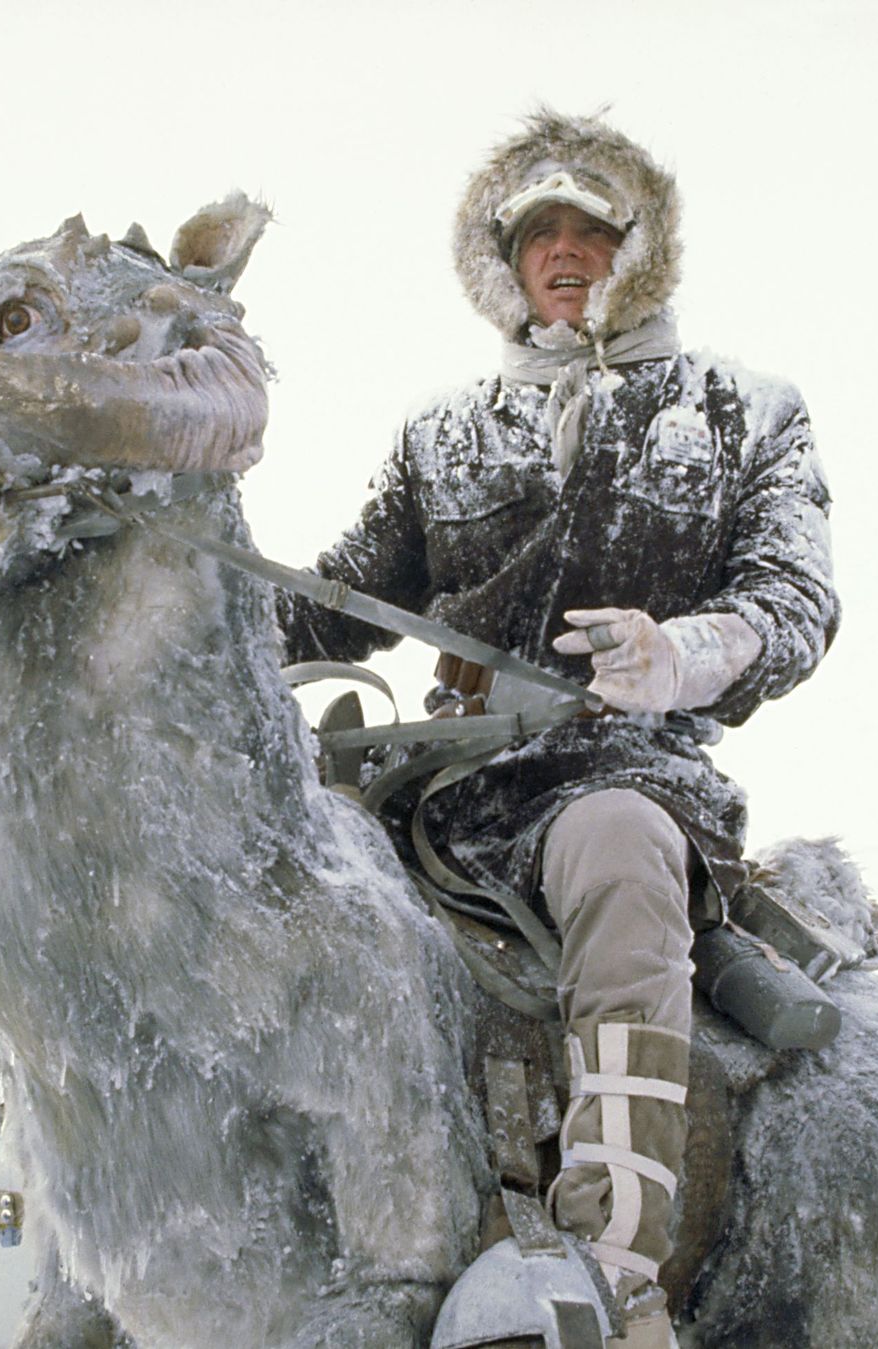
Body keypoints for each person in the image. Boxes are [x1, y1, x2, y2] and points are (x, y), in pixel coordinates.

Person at [280, 109, 839, 1348]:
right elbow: (338, 601)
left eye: (592, 225)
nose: (565, 248)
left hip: (622, 775)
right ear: (505, 263)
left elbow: (795, 597)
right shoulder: (440, 433)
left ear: (640, 248)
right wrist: (172, 610)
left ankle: (611, 1260)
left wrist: (684, 652)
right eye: (540, 231)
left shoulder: (746, 412)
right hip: (439, 799)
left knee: (618, 852)